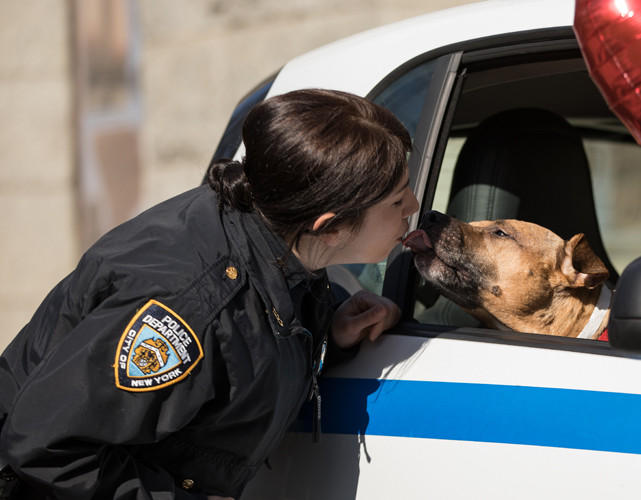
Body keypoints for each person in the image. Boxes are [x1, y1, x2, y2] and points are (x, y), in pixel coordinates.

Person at [0, 89, 420, 499]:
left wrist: (330, 335)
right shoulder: (187, 308)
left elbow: (248, 349)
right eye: (397, 200)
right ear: (329, 228)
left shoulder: (270, 230)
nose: (414, 206)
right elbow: (48, 446)